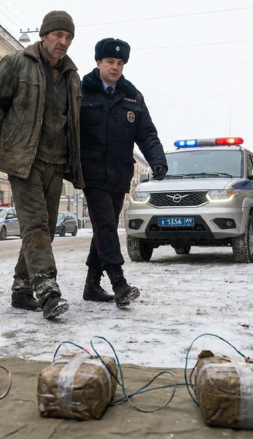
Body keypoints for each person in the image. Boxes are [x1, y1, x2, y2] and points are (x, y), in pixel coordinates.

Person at [0, 11, 84, 319]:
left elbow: (74, 122)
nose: (62, 42)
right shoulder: (17, 63)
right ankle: (48, 291)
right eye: (57, 35)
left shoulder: (71, 75)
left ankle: (21, 289)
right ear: (44, 35)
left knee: (44, 230)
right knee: (36, 225)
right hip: (25, 163)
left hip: (57, 163)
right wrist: (8, 144)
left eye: (68, 37)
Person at [78, 38, 166, 308]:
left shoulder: (133, 96)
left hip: (119, 174)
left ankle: (92, 285)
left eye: (119, 63)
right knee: (106, 226)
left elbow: (146, 133)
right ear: (98, 62)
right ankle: (119, 283)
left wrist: (157, 161)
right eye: (109, 62)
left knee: (103, 229)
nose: (114, 67)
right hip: (91, 172)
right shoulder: (81, 91)